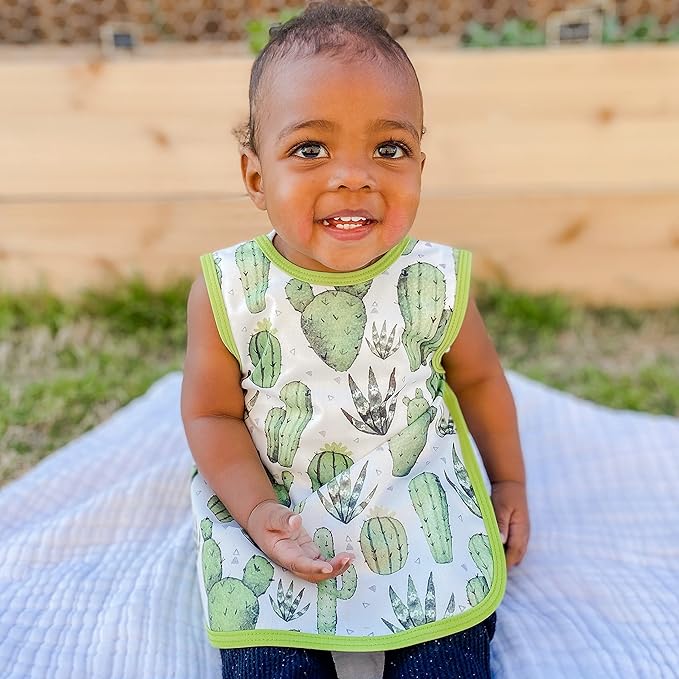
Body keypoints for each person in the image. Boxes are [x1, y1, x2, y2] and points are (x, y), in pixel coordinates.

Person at [181, 2, 530, 677]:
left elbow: (480, 380)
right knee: (266, 656)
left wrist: (509, 479)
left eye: (388, 149)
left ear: (420, 164)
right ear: (255, 176)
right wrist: (255, 509)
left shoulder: (433, 280)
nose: (352, 175)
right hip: (278, 500)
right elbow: (211, 414)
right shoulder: (231, 289)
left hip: (411, 491)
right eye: (310, 149)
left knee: (448, 653)